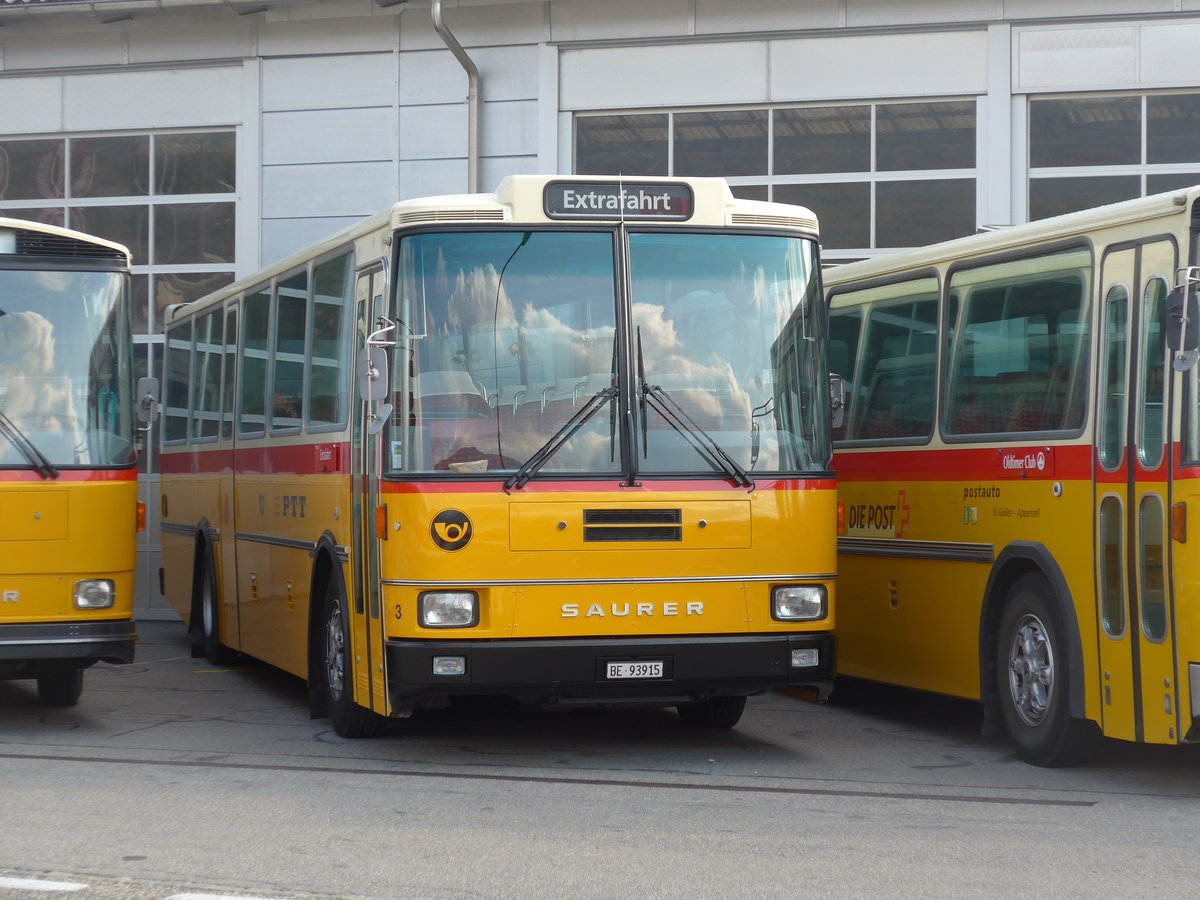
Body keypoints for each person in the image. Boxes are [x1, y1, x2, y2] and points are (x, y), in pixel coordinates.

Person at [0, 309, 82, 463]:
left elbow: (77, 454)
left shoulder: (59, 391)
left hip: (53, 471)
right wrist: (12, 407)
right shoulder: (13, 390)